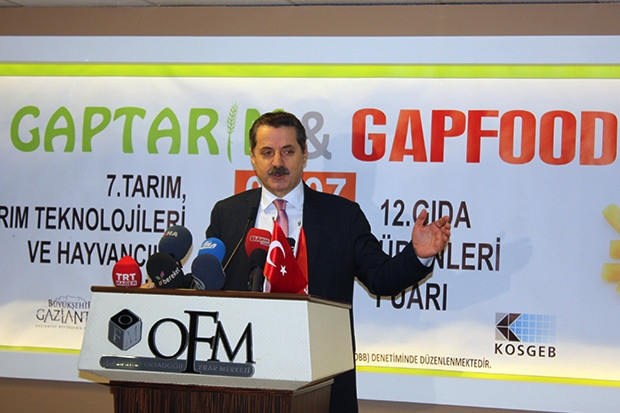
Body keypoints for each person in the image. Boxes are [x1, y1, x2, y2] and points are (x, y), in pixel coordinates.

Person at [206, 111, 450, 412]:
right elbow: (210, 286)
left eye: (287, 151)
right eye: (267, 152)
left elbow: (381, 279)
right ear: (253, 158)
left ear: (304, 155)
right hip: (244, 374)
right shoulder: (227, 215)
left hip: (320, 377)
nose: (277, 162)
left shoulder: (342, 216)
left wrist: (417, 254)